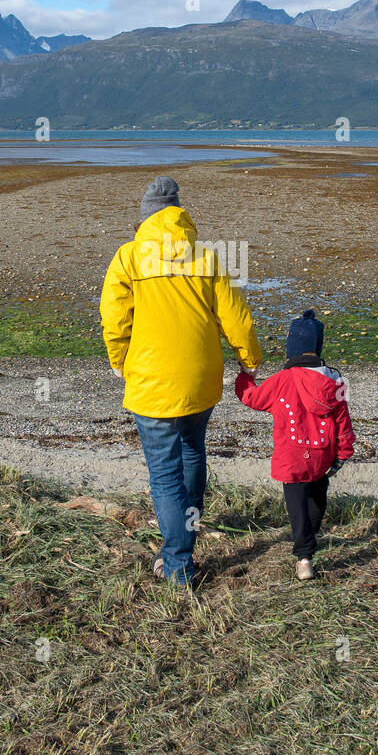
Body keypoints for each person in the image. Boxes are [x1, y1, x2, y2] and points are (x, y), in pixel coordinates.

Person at [100, 175, 262, 586]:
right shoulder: (206, 257)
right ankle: (188, 525)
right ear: (179, 214)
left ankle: (177, 564)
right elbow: (235, 317)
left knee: (164, 473)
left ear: (144, 220)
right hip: (200, 378)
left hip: (151, 381)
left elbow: (115, 319)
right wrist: (250, 361)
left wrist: (118, 360)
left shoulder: (128, 257)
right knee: (192, 450)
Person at [235, 308, 355, 580]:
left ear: (291, 351)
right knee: (316, 503)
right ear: (317, 349)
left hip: (291, 458)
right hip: (322, 457)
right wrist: (342, 455)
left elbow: (250, 398)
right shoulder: (336, 383)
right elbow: (344, 425)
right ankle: (308, 546)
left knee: (298, 508)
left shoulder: (282, 380)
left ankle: (304, 558)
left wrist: (244, 376)